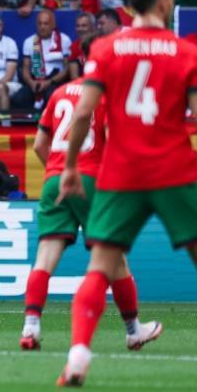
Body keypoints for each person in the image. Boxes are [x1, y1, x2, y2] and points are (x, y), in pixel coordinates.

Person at [56, 0, 194, 385]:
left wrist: (69, 167)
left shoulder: (106, 47)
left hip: (121, 171)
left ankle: (78, 356)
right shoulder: (185, 51)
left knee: (100, 267)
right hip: (174, 168)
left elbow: (83, 112)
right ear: (164, 1)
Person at [26, 64, 157, 352]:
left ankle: (31, 325)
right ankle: (134, 330)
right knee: (115, 258)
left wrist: (59, 173)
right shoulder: (106, 96)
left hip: (54, 179)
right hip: (91, 179)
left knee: (45, 256)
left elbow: (38, 145)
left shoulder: (59, 92)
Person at [20, 9, 71, 110]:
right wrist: (31, 82)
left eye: (46, 24)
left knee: (50, 96)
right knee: (19, 99)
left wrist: (49, 82)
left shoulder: (64, 40)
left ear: (53, 25)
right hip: (36, 79)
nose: (42, 27)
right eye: (40, 24)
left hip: (55, 80)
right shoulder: (29, 41)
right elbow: (26, 68)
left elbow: (67, 69)